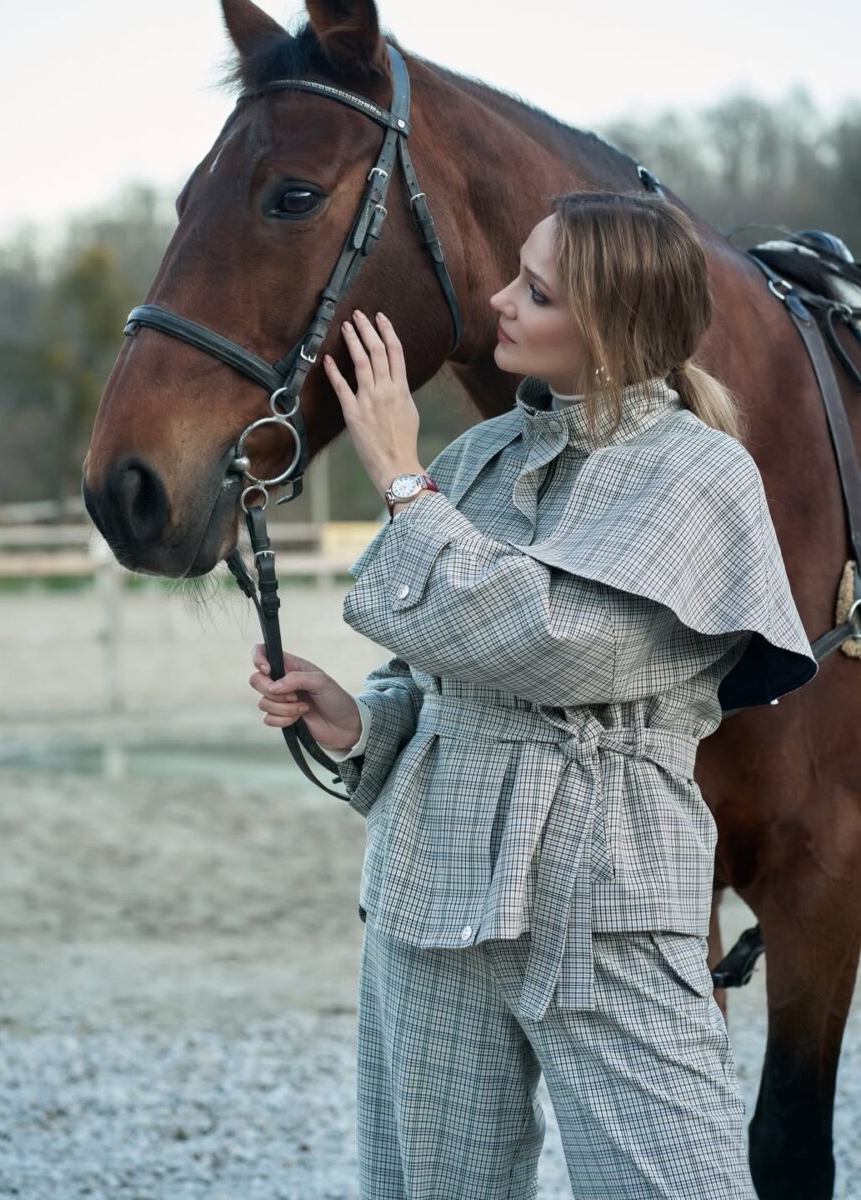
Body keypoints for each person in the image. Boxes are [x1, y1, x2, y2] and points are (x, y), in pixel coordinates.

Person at [248, 191, 818, 1199]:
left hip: (611, 903)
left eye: (538, 291)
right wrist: (363, 722)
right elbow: (434, 669)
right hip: (429, 889)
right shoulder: (478, 460)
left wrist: (401, 478)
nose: (500, 300)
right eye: (516, 273)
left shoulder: (698, 474)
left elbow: (554, 645)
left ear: (611, 326)